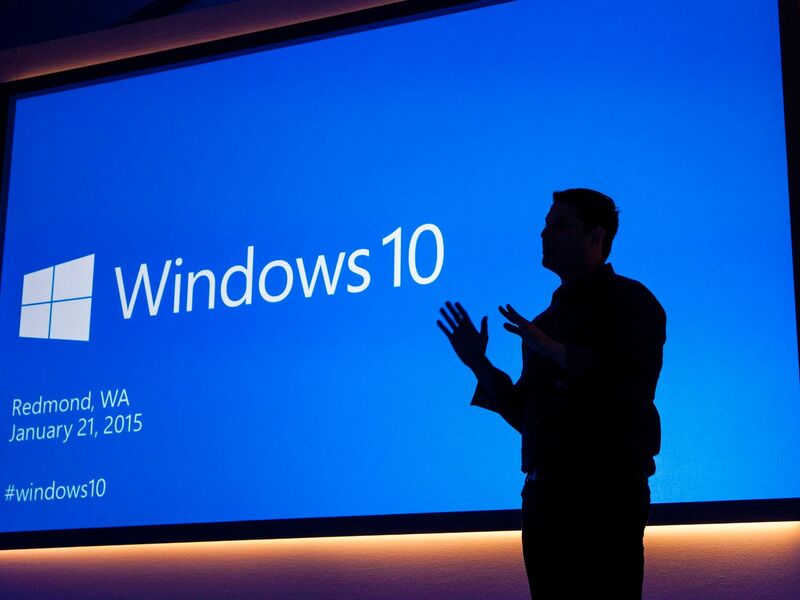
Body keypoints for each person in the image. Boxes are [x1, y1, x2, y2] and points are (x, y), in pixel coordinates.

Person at [437, 188, 666, 599]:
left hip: (606, 495)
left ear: (596, 237)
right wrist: (478, 363)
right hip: (543, 498)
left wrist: (553, 350)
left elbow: (632, 389)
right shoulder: (544, 322)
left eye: (560, 225)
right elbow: (527, 415)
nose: (545, 233)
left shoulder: (632, 301)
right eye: (545, 225)